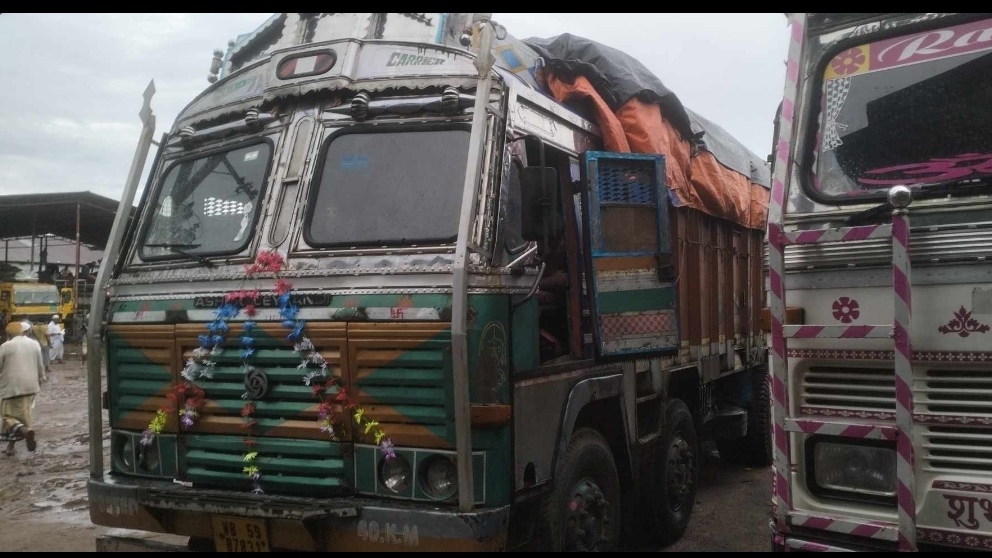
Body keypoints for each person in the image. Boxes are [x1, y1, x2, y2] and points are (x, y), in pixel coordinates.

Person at [0, 321, 46, 456]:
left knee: (6, 416)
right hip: (31, 386)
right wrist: (41, 379)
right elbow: (40, 365)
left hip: (11, 388)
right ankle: (10, 447)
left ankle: (25, 431)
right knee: (23, 416)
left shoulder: (5, 346)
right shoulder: (34, 344)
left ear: (8, 333)